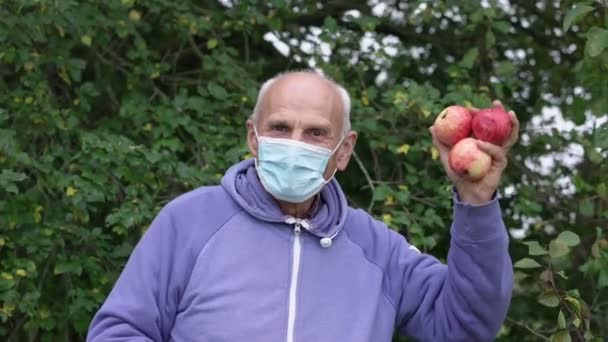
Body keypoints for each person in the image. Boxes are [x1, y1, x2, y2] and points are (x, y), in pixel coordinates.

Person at [87, 70, 518, 342]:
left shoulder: (375, 248)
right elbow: (119, 331)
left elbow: (466, 325)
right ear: (253, 138)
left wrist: (476, 200)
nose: (295, 143)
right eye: (279, 127)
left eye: (316, 133)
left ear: (344, 151)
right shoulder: (189, 221)